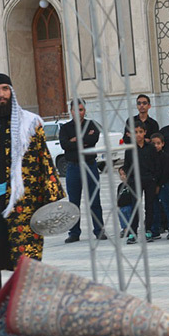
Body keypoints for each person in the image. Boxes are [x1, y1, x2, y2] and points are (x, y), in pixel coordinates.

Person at [0, 73, 64, 308]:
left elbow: (44, 162)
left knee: (26, 260)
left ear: (11, 91)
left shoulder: (30, 124)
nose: (1, 94)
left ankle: (25, 309)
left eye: (5, 89)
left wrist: (54, 201)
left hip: (24, 203)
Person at [60, 99, 105, 243]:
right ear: (71, 111)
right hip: (73, 167)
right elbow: (64, 145)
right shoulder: (65, 128)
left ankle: (99, 230)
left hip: (90, 165)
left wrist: (75, 140)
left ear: (84, 110)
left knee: (95, 200)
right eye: (75, 110)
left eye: (81, 110)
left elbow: (93, 139)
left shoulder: (91, 125)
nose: (78, 113)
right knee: (74, 202)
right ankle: (74, 233)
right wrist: (81, 141)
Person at [122, 121, 158, 243]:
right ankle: (133, 232)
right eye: (135, 132)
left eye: (140, 132)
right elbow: (127, 165)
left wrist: (155, 180)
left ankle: (148, 230)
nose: (138, 135)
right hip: (135, 182)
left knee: (150, 206)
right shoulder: (129, 149)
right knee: (135, 207)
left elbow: (156, 165)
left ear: (145, 133)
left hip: (149, 181)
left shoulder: (151, 148)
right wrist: (126, 175)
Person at [150, 133, 169, 239]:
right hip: (152, 185)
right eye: (153, 143)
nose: (156, 146)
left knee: (166, 206)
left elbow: (166, 173)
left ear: (163, 144)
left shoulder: (166, 157)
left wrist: (159, 185)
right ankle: (155, 230)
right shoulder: (150, 157)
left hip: (163, 185)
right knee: (154, 208)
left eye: (158, 143)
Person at [116, 167, 135, 238]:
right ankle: (125, 229)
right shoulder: (120, 186)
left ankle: (131, 228)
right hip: (122, 206)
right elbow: (118, 195)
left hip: (129, 205)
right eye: (120, 175)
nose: (122, 176)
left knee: (129, 216)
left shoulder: (131, 184)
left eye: (124, 174)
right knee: (122, 217)